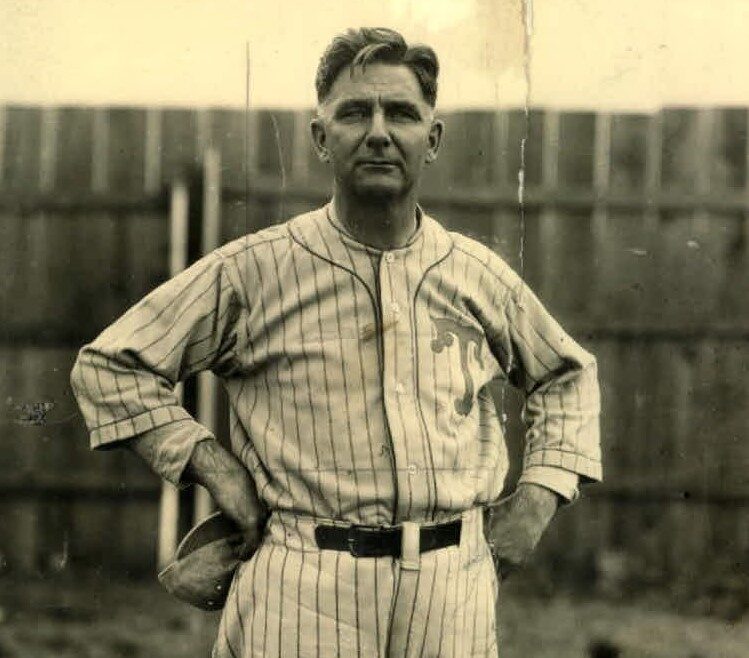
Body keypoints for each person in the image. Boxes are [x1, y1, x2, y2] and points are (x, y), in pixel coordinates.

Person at [70, 26, 601, 657]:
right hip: (304, 580)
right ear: (321, 137)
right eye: (354, 113)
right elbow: (109, 366)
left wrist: (536, 501)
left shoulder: (475, 273)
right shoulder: (255, 270)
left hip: (451, 587)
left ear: (432, 140)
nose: (378, 132)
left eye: (401, 113)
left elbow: (567, 375)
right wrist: (214, 467)